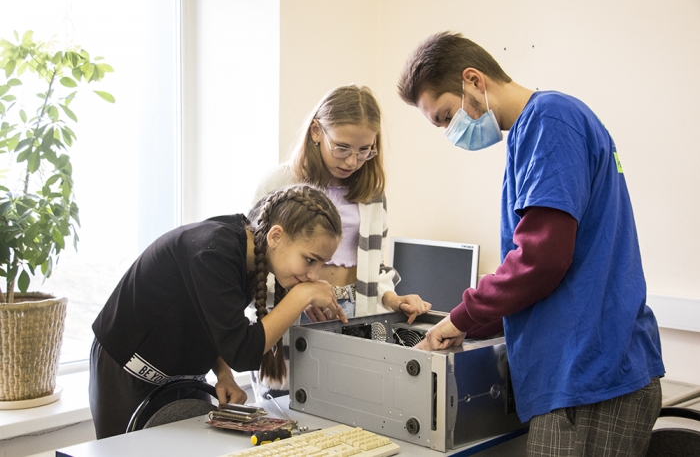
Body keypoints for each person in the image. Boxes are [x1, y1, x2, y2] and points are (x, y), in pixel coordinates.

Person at [397, 31, 665, 456]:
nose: (449, 131)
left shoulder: (550, 121)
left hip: (590, 376)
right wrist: (469, 323)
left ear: (473, 80)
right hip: (588, 371)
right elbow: (542, 263)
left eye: (446, 116)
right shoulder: (537, 130)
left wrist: (461, 318)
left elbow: (541, 259)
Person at [89, 184, 347, 439]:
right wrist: (301, 296)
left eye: (322, 263)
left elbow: (216, 323)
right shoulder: (213, 252)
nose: (314, 275)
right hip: (126, 370)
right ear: (275, 236)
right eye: (310, 260)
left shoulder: (249, 254)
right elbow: (243, 352)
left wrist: (223, 374)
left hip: (180, 375)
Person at [248, 84, 432, 399]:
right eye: (342, 148)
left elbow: (372, 265)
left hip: (356, 313)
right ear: (316, 131)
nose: (352, 161)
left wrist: (391, 298)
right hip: (294, 311)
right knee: (287, 408)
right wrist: (300, 296)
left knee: (355, 405)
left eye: (365, 150)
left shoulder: (372, 192)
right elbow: (257, 261)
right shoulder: (278, 183)